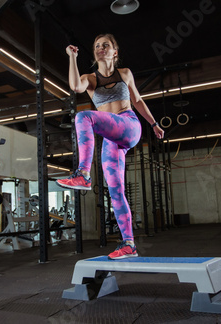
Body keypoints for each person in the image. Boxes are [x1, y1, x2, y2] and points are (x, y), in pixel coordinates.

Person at [56, 34, 164, 259]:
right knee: (115, 190)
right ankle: (129, 244)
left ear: (115, 52)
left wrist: (153, 124)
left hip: (129, 124)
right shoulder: (89, 79)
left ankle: (83, 174)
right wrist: (72, 58)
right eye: (96, 46)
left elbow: (138, 100)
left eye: (105, 45)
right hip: (112, 139)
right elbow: (76, 86)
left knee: (84, 117)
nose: (100, 48)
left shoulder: (125, 73)